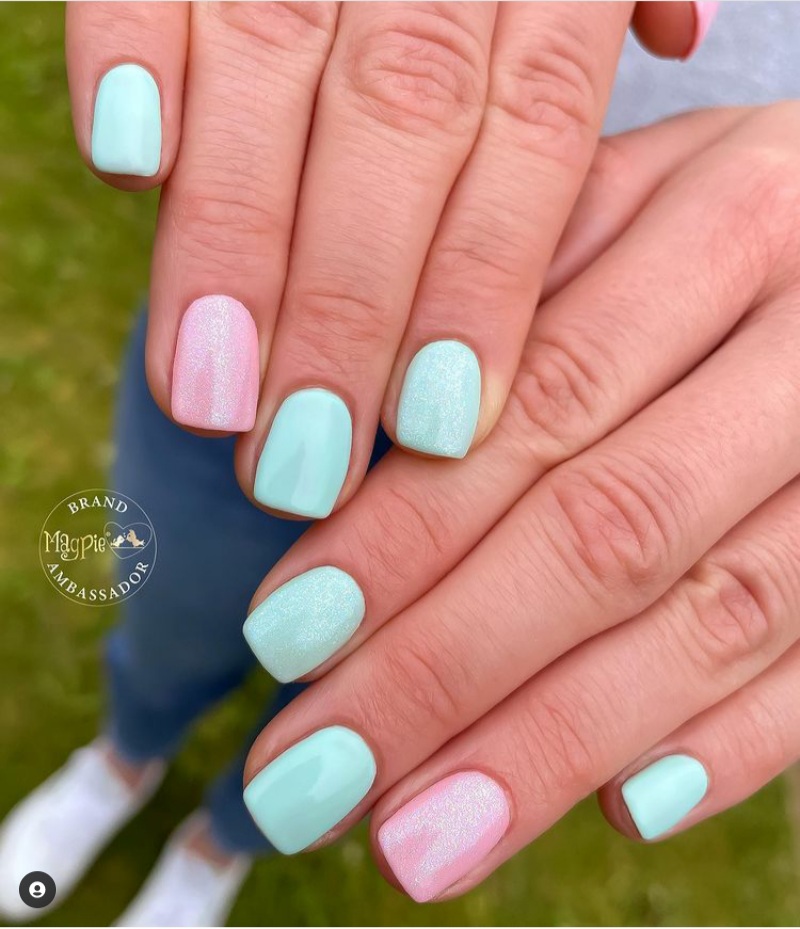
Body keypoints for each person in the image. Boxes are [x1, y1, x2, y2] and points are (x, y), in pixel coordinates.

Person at [3, 2, 800, 925]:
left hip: (682, 374)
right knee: (173, 605)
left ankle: (221, 842)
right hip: (304, 234)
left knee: (381, 710)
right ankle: (124, 755)